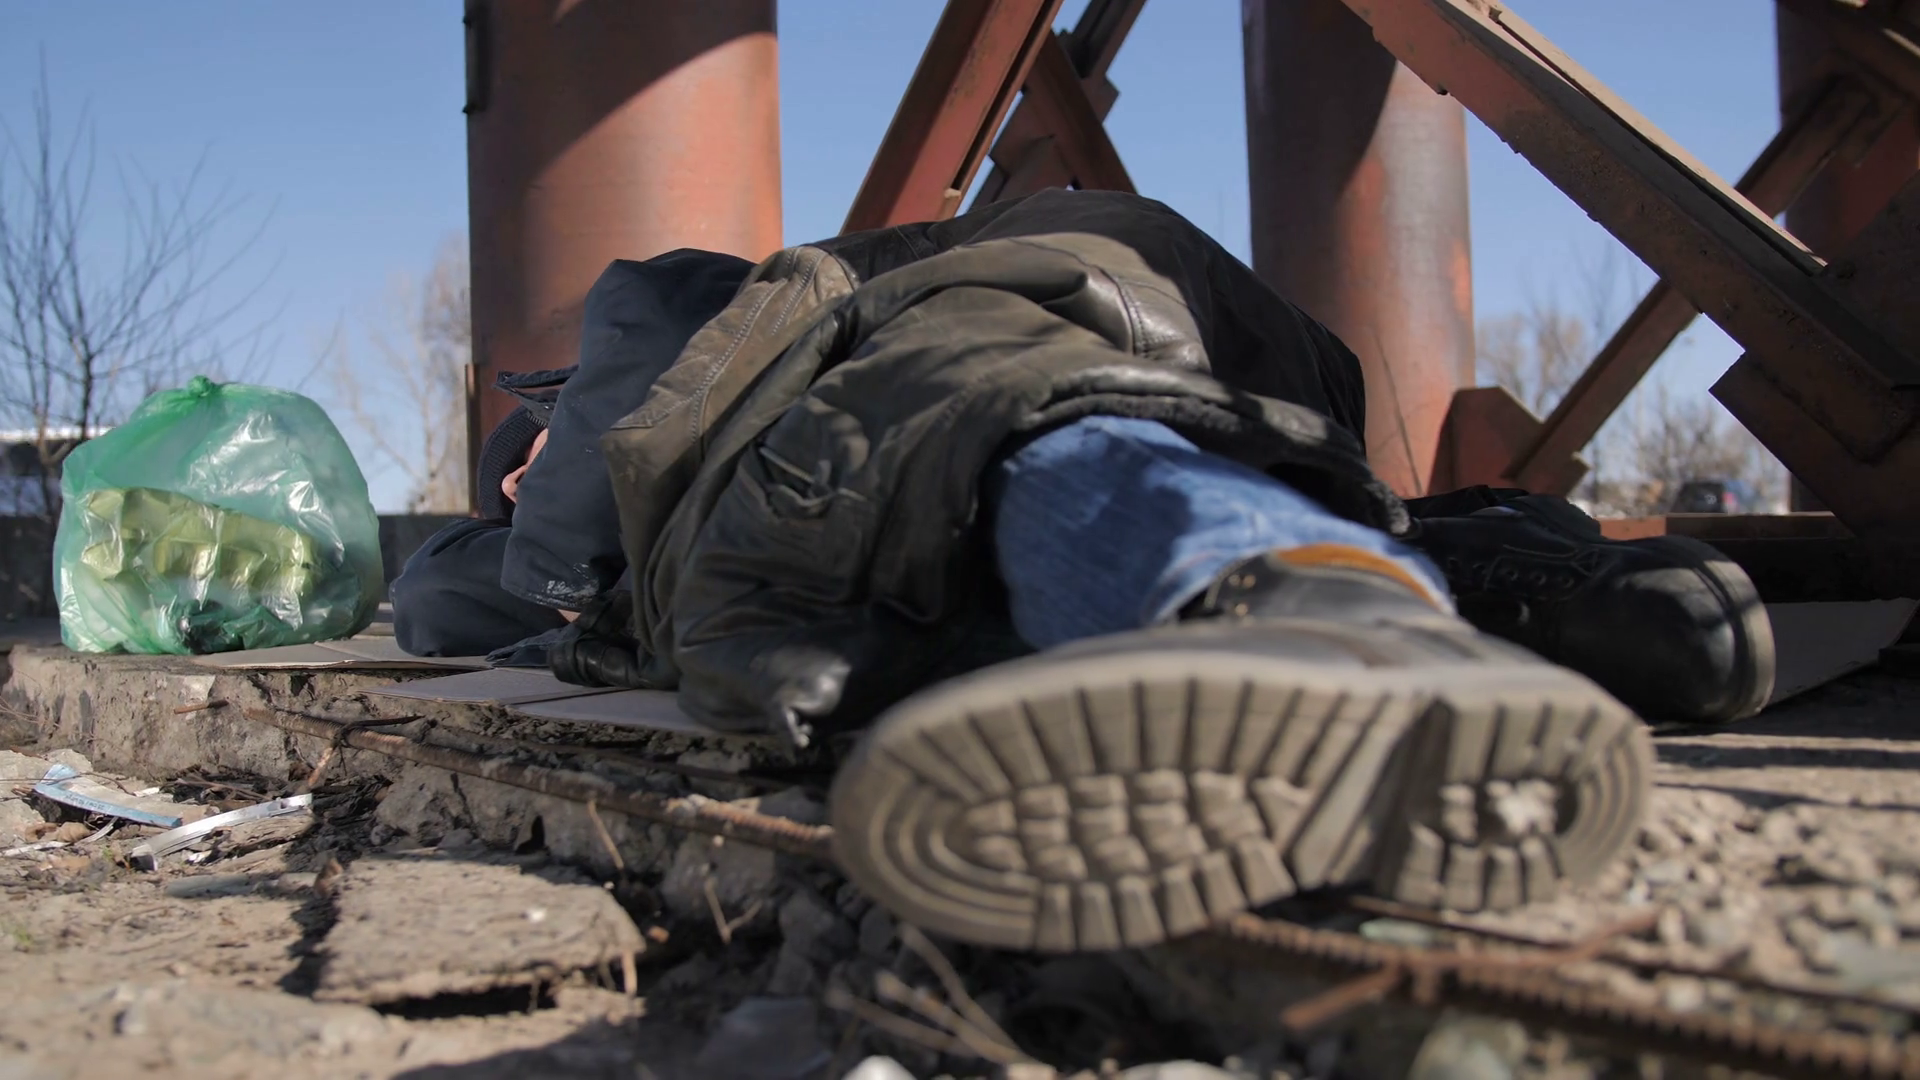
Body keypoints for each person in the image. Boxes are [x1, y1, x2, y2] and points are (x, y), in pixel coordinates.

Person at [396, 190, 1773, 954]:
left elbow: (505, 546)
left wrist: (554, 497)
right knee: (1001, 510)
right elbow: (449, 594)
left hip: (1016, 332)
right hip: (1188, 340)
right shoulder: (687, 494)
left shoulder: (723, 348)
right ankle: (1515, 626)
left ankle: (1344, 625)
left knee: (998, 431)